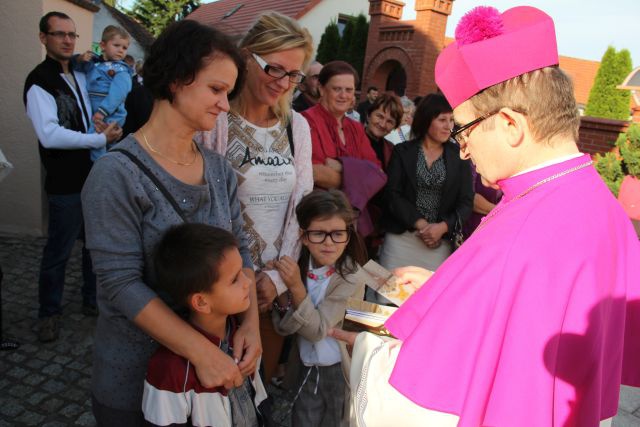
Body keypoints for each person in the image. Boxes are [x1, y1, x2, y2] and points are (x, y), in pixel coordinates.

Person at [331, 5, 640, 426]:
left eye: (463, 128)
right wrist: (445, 287)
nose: (463, 148)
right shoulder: (595, 203)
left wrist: (365, 355)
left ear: (510, 124)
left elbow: (421, 409)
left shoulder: (527, 229)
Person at [81, 20, 262, 424]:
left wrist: (250, 324)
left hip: (211, 379)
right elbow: (120, 284)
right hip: (140, 381)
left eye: (228, 93)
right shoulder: (116, 174)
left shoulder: (218, 169)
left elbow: (241, 249)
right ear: (178, 79)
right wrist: (202, 353)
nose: (225, 105)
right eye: (216, 89)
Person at [197, 11, 314, 385]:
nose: (283, 83)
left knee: (259, 392)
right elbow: (204, 205)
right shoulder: (216, 120)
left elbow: (302, 208)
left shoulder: (296, 127)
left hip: (272, 292)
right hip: (220, 285)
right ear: (247, 56)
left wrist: (276, 281)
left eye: (293, 75)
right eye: (274, 68)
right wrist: (236, 279)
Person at [24, 11, 122, 343]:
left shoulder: (83, 73)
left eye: (72, 35)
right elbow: (49, 135)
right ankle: (48, 313)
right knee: (59, 250)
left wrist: (110, 130)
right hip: (65, 181)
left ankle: (92, 300)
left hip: (94, 174)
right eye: (59, 34)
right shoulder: (39, 81)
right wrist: (98, 140)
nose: (67, 40)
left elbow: (97, 108)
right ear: (44, 38)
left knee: (94, 245)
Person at [142, 224, 267, 426]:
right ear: (201, 302)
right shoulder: (169, 370)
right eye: (235, 279)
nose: (248, 283)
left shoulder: (243, 335)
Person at [271, 190, 367, 427]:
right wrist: (285, 296)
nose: (328, 242)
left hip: (337, 370)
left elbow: (317, 330)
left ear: (347, 236)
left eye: (337, 234)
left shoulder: (352, 276)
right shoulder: (298, 267)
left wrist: (294, 287)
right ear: (303, 236)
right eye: (318, 234)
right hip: (304, 366)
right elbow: (282, 326)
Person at [379, 93, 473, 272]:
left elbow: (466, 202)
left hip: (439, 243)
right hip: (402, 238)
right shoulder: (402, 151)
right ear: (426, 120)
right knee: (388, 296)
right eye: (442, 120)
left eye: (451, 120)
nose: (448, 126)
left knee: (429, 298)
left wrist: (442, 227)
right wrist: (421, 224)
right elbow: (392, 194)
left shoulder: (459, 156)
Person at [302, 61, 386, 239]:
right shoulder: (306, 121)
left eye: (349, 90)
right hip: (316, 221)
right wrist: (359, 176)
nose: (343, 95)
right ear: (322, 89)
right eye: (337, 89)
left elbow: (378, 173)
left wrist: (341, 166)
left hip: (351, 224)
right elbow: (312, 172)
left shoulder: (356, 128)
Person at [75, 25, 133, 160]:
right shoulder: (97, 64)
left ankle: (99, 168)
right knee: (102, 143)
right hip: (99, 111)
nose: (120, 50)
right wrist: (80, 59)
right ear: (103, 45)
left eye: (124, 48)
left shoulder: (121, 70)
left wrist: (102, 111)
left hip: (111, 113)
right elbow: (77, 67)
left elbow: (118, 94)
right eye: (116, 45)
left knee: (97, 138)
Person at [364, 92, 403, 171]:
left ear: (394, 127)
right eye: (380, 116)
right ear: (368, 115)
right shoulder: (352, 139)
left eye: (389, 121)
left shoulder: (392, 150)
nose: (383, 124)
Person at [462, 164, 503, 238]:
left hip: (497, 231)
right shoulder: (472, 165)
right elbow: (469, 199)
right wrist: (503, 211)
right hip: (474, 232)